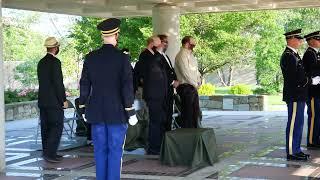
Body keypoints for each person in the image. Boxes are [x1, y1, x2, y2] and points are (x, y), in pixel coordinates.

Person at [78, 18, 137, 180]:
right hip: (117, 112)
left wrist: (82, 106)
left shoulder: (90, 57)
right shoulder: (123, 58)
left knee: (100, 151)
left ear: (103, 36)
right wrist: (130, 110)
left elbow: (84, 84)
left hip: (96, 112)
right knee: (115, 151)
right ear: (116, 35)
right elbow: (127, 86)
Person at [280, 29, 318, 161]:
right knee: (294, 124)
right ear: (291, 39)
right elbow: (294, 79)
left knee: (299, 123)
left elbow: (300, 74)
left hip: (300, 95)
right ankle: (291, 151)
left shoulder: (294, 55)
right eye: (298, 38)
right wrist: (311, 81)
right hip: (295, 95)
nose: (301, 41)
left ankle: (296, 149)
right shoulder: (288, 56)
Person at [37, 37, 67, 163]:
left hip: (43, 101)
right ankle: (51, 154)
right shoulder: (55, 62)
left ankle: (47, 152)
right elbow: (58, 83)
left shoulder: (41, 62)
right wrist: (63, 100)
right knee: (56, 127)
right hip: (54, 102)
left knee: (46, 128)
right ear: (55, 48)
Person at [143, 36, 168, 155]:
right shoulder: (147, 56)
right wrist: (158, 51)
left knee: (160, 120)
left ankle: (159, 144)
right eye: (160, 43)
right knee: (155, 122)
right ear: (153, 44)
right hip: (153, 95)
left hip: (160, 94)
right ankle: (154, 148)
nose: (163, 45)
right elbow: (152, 69)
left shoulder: (156, 56)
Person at [174, 36, 201, 128]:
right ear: (186, 43)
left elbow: (195, 70)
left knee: (195, 112)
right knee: (188, 113)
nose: (194, 44)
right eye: (192, 42)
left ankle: (193, 131)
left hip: (192, 87)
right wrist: (194, 83)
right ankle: (187, 132)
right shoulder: (181, 55)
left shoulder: (190, 55)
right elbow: (185, 72)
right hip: (186, 87)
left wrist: (199, 80)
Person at [156, 34, 179, 131]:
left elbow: (171, 70)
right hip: (163, 90)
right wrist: (172, 81)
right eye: (164, 42)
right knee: (163, 117)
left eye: (167, 42)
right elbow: (161, 73)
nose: (166, 44)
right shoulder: (156, 57)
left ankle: (168, 135)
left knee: (169, 114)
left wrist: (176, 80)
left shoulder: (166, 56)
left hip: (169, 90)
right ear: (159, 43)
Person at [302, 31, 320, 148]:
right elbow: (313, 72)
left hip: (317, 91)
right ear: (311, 41)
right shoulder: (309, 54)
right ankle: (311, 141)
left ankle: (316, 139)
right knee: (314, 117)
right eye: (318, 39)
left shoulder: (315, 53)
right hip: (313, 92)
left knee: (318, 116)